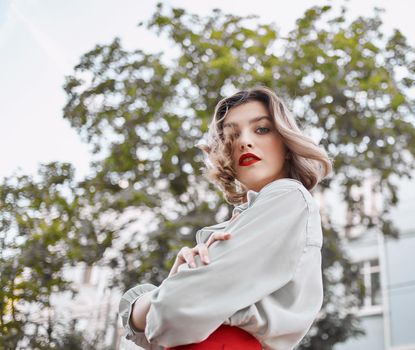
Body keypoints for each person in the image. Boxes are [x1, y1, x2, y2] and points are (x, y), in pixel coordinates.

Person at [118, 86, 332, 350]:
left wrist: (167, 293)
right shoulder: (247, 218)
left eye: (261, 129)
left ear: (286, 144)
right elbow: (164, 325)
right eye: (232, 136)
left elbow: (173, 313)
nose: (244, 142)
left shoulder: (287, 196)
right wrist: (174, 287)